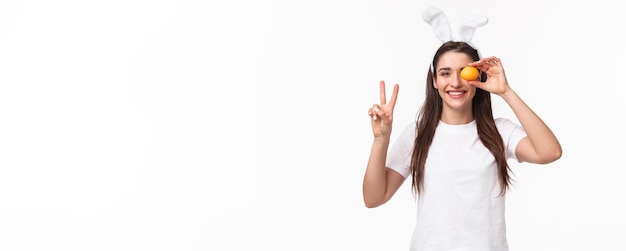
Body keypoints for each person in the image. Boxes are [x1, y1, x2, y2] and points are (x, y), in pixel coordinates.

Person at [362, 41, 562, 250]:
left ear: (477, 77)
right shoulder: (417, 134)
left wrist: (506, 91)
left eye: (463, 72)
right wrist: (380, 139)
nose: (456, 82)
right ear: (435, 81)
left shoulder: (500, 131)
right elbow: (373, 198)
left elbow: (550, 152)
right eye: (445, 73)